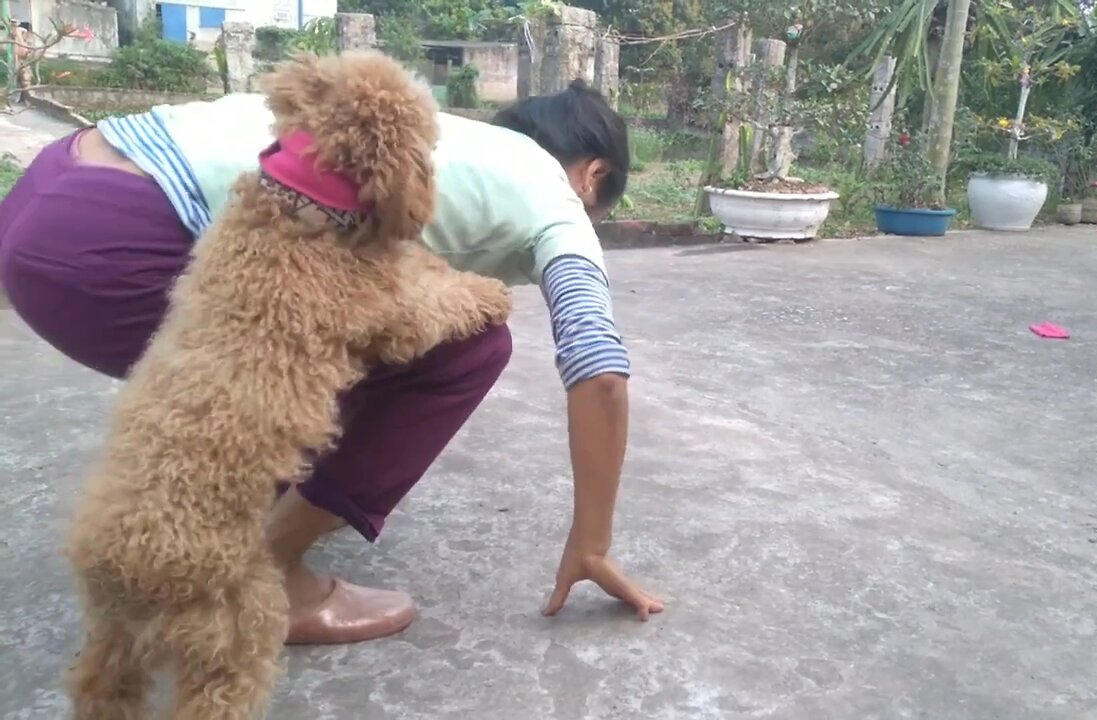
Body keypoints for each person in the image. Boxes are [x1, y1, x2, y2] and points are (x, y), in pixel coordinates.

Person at [0, 78, 664, 645]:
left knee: (372, 308)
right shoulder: (554, 197)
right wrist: (593, 544)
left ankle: (251, 510)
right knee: (470, 343)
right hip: (118, 249)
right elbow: (597, 366)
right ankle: (264, 579)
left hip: (51, 188)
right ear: (593, 174)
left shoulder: (453, 139)